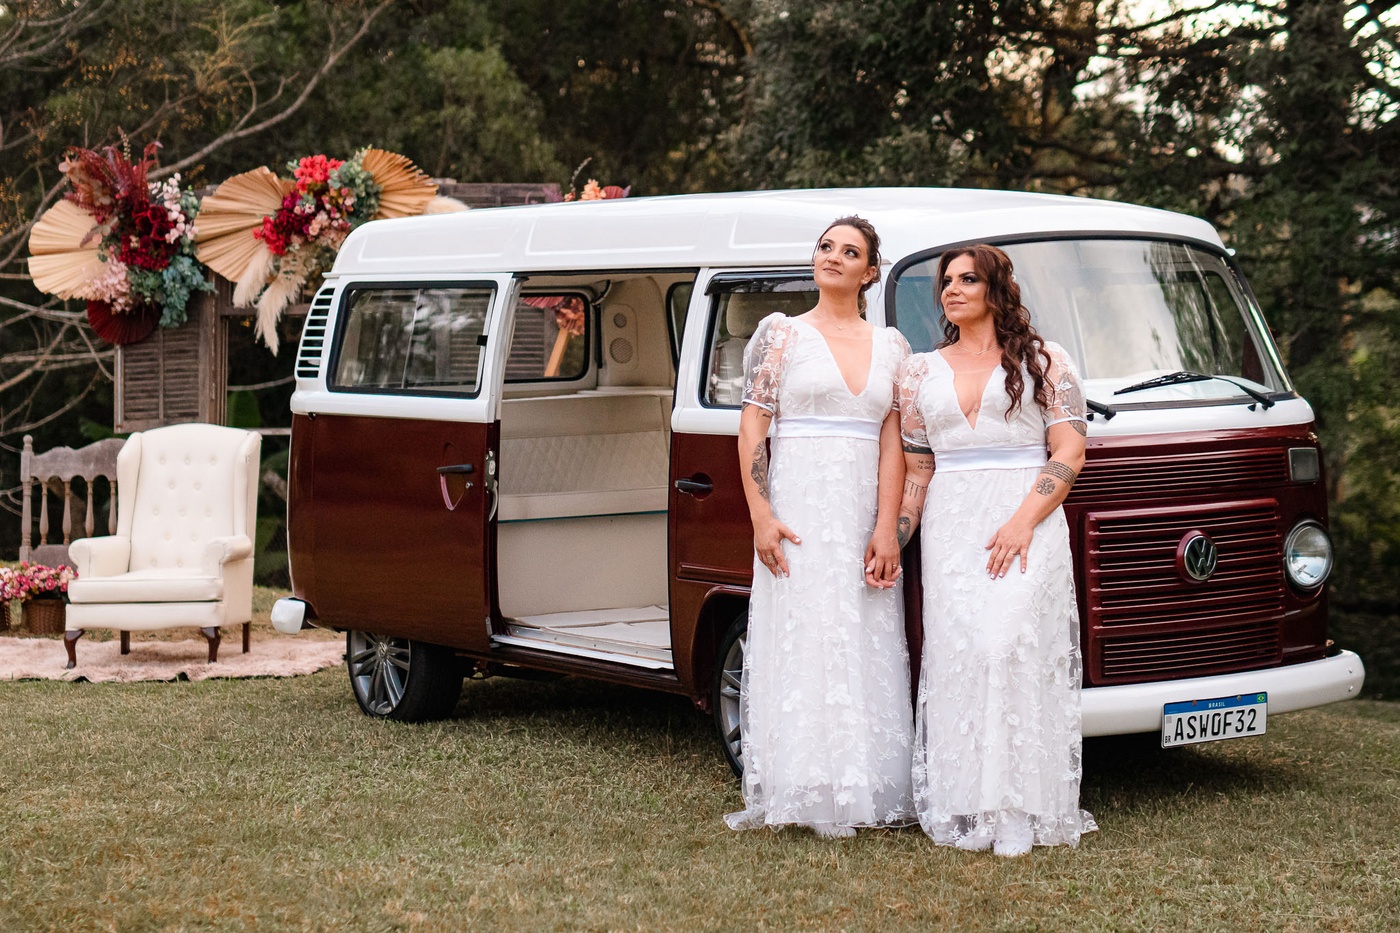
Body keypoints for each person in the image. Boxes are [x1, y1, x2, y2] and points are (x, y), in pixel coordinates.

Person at [895, 243, 1097, 856]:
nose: (952, 290)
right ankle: (970, 805)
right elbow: (918, 470)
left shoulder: (1044, 360)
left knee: (1007, 647)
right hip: (951, 528)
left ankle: (1018, 809)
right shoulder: (918, 372)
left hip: (1026, 522)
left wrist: (1021, 522)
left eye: (967, 280)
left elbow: (1070, 451)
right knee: (961, 656)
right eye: (947, 281)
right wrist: (893, 537)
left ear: (995, 289)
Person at [724, 216, 916, 837]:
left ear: (870, 272)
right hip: (799, 508)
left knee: (862, 633)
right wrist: (762, 515)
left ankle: (865, 783)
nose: (832, 256)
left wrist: (887, 528)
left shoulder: (892, 347)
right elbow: (752, 428)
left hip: (861, 511)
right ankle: (801, 783)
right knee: (803, 633)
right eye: (825, 246)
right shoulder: (781, 335)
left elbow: (893, 442)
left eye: (849, 251)